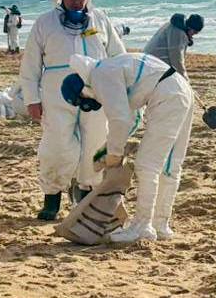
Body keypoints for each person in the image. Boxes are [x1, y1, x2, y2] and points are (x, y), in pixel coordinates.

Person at [20, 0, 126, 221]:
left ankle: (86, 194)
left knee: (96, 144)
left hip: (97, 90)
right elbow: (31, 65)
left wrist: (122, 90)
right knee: (57, 146)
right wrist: (32, 99)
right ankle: (52, 198)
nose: (77, 3)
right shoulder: (45, 23)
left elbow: (118, 56)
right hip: (57, 93)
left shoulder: (100, 20)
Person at [59, 51, 195, 242]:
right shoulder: (109, 68)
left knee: (147, 166)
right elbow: (132, 119)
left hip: (167, 95)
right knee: (170, 166)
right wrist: (108, 149)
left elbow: (120, 120)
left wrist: (114, 154)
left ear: (82, 90)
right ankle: (160, 225)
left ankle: (142, 227)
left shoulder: (100, 75)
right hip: (181, 89)